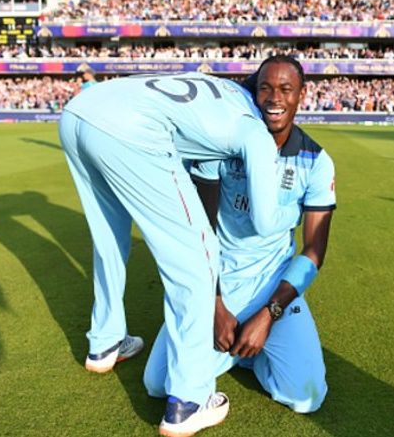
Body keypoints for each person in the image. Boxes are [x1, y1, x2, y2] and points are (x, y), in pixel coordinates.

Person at [59, 72, 300, 437]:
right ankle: (189, 401)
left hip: (77, 113)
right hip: (135, 130)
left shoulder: (217, 87)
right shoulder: (252, 125)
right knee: (196, 262)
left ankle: (104, 343)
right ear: (257, 94)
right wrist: (297, 210)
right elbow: (267, 223)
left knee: (108, 238)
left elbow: (204, 180)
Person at [144, 56, 336, 415]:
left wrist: (268, 315)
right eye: (265, 87)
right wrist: (214, 302)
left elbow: (313, 252)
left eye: (285, 89)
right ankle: (235, 352)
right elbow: (200, 228)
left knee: (307, 397)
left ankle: (255, 350)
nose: (273, 98)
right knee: (158, 385)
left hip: (272, 285)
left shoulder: (317, 161)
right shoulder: (222, 147)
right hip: (220, 281)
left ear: (302, 95)